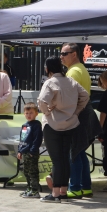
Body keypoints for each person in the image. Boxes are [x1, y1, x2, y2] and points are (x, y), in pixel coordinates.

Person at [37, 56, 89, 203]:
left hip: (52, 124)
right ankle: (63, 192)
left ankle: (55, 194)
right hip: (70, 123)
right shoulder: (71, 81)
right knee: (65, 158)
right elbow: (85, 96)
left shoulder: (50, 82)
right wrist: (76, 112)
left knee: (57, 160)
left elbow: (42, 101)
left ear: (48, 68)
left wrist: (47, 113)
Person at [61, 42, 95, 199]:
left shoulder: (73, 72)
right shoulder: (80, 69)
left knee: (73, 152)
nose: (61, 57)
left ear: (74, 54)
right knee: (80, 152)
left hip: (77, 115)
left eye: (64, 54)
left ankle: (74, 187)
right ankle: (85, 187)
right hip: (84, 114)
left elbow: (69, 99)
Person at [17, 102, 43, 198]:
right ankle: (29, 188)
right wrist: (20, 151)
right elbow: (22, 139)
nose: (29, 115)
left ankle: (35, 190)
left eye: (31, 113)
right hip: (24, 152)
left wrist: (32, 151)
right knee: (26, 171)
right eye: (27, 113)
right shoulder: (24, 125)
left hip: (32, 153)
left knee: (33, 172)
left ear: (36, 113)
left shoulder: (36, 125)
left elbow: (37, 139)